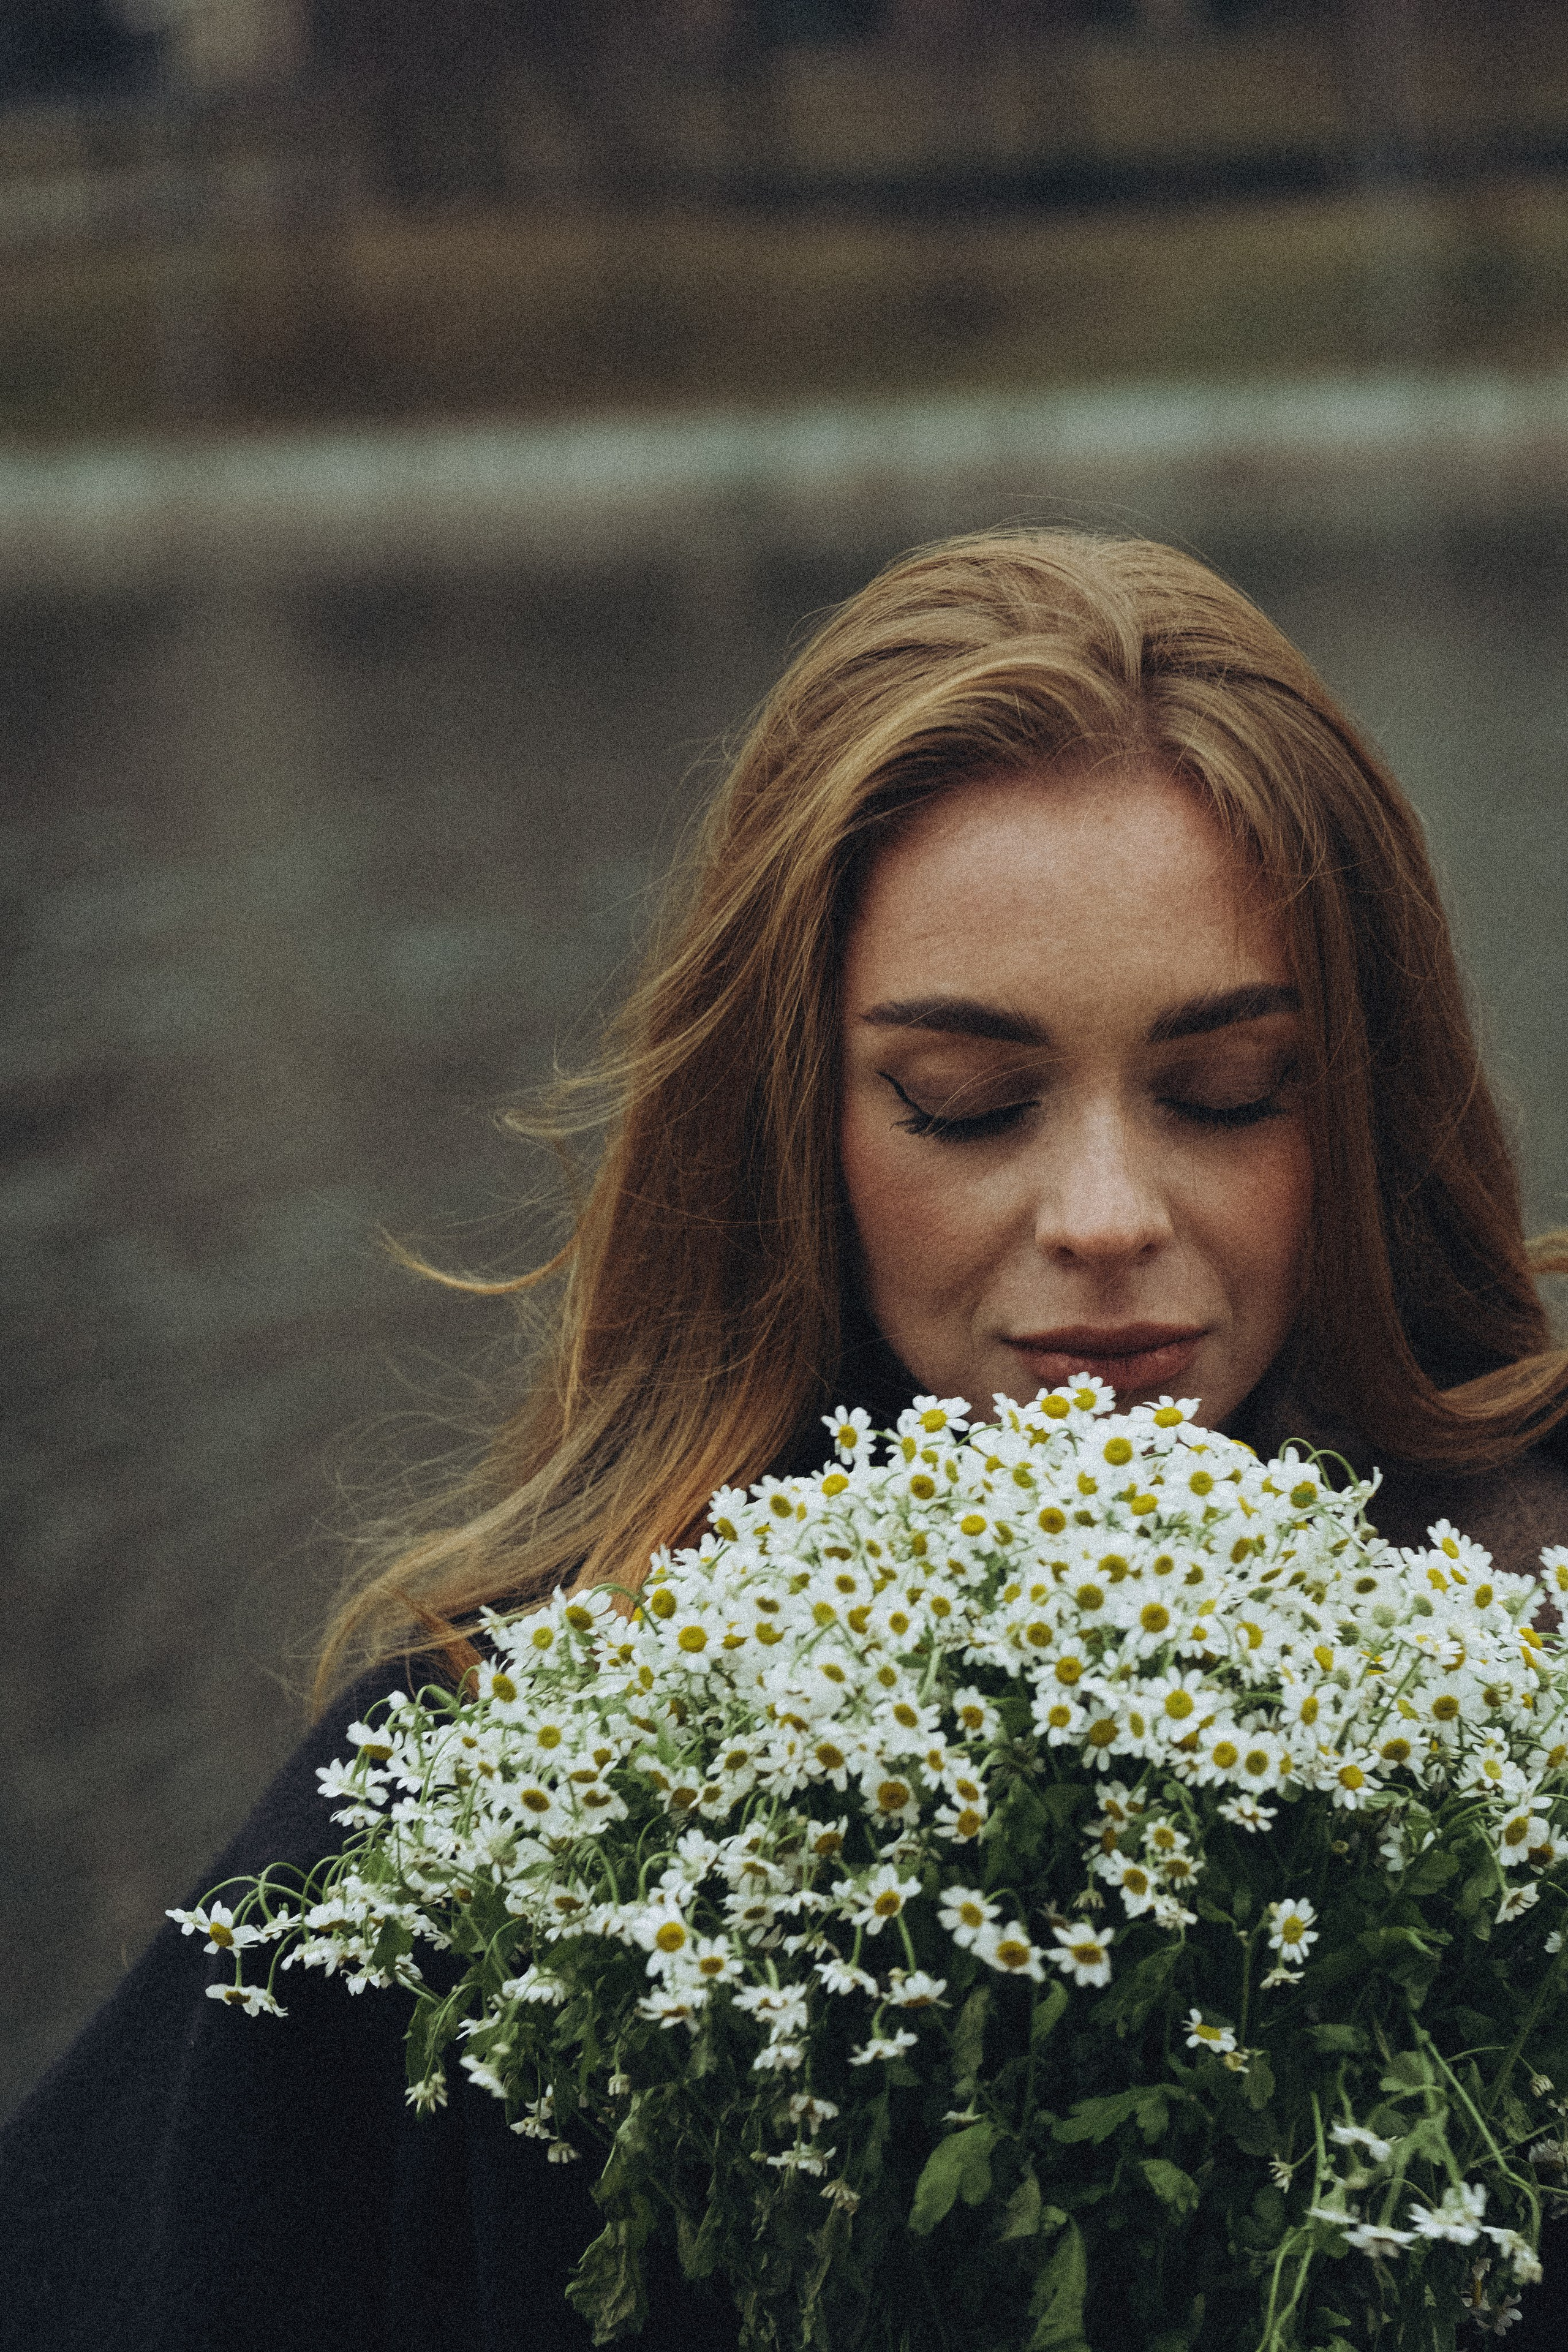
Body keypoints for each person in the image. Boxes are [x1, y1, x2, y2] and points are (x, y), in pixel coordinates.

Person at [4, 529, 1566, 2350]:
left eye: (1228, 1092)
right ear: (790, 1127)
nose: (1103, 1214)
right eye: (965, 1107)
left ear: (1363, 1098)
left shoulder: (1534, 1667)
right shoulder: (512, 1781)